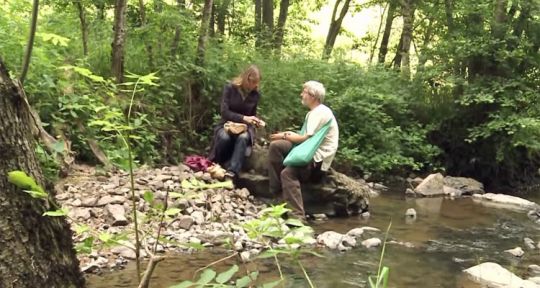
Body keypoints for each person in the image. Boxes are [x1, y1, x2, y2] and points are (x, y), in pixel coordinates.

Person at [268, 81, 339, 220]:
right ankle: (278, 196)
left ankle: (297, 216)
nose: (301, 94)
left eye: (304, 92)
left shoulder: (319, 113)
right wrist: (287, 135)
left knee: (287, 174)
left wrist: (284, 135)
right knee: (275, 147)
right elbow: (305, 139)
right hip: (308, 151)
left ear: (313, 96)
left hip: (317, 161)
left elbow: (304, 139)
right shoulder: (314, 112)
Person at [208, 65, 264, 179]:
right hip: (227, 123)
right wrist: (243, 118)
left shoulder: (255, 95)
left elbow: (252, 114)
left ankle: (233, 171)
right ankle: (218, 163)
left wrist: (255, 121)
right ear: (246, 78)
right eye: (253, 82)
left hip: (245, 127)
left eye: (257, 83)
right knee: (224, 137)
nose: (255, 86)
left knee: (243, 138)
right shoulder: (230, 88)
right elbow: (224, 112)